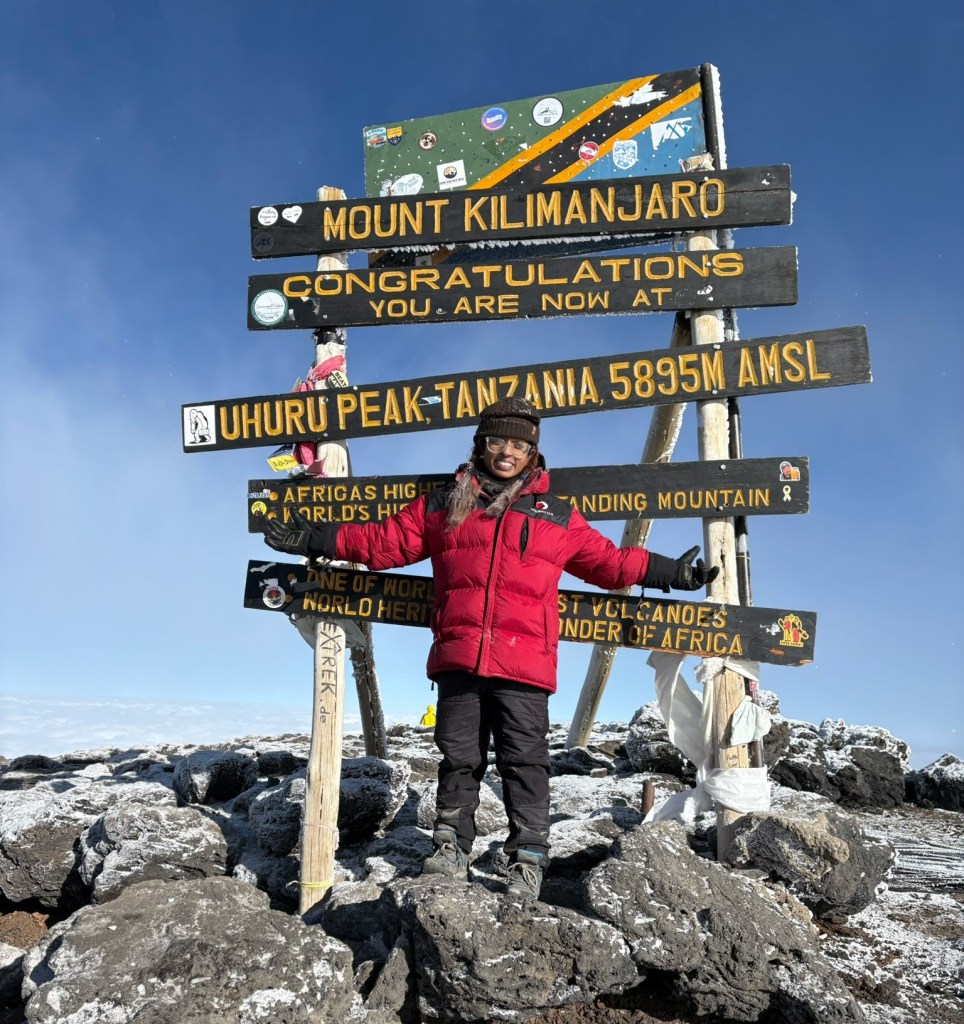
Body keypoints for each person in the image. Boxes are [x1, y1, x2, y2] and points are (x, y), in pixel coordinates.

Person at [261, 397, 718, 901]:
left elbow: (610, 563)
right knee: (459, 757)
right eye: (497, 441)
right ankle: (450, 847)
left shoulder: (556, 516)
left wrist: (672, 572)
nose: (507, 452)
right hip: (459, 655)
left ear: (532, 454)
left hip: (525, 665)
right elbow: (382, 542)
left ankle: (528, 858)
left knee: (526, 762)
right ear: (481, 445)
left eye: (519, 446)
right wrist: (313, 540)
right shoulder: (444, 504)